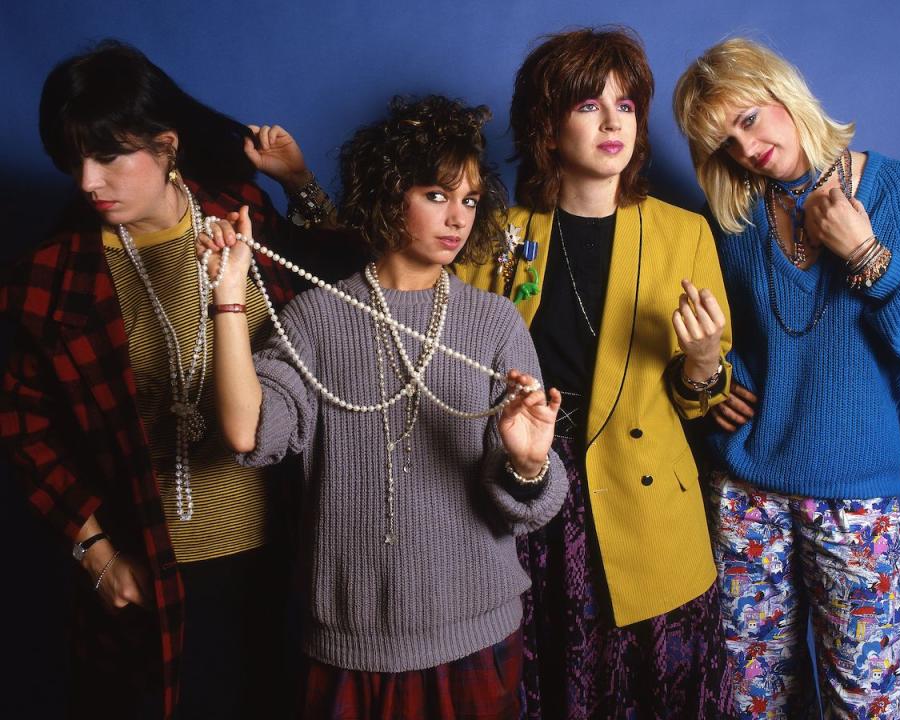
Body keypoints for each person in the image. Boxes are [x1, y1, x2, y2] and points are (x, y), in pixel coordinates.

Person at [198, 94, 568, 720]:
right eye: (436, 195)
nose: (458, 218)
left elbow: (531, 503)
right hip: (350, 639)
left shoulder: (495, 322)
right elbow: (245, 432)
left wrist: (528, 464)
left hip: (474, 631)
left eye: (470, 200)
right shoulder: (315, 317)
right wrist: (228, 298)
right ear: (389, 194)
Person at [0, 40, 340, 719]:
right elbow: (23, 428)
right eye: (73, 161)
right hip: (153, 573)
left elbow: (335, 284)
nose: (87, 182)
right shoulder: (51, 279)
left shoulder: (241, 216)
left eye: (108, 157)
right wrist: (94, 551)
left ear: (167, 146)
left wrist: (298, 182)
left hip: (283, 553)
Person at [673, 38, 900, 719]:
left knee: (864, 705)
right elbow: (719, 344)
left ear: (784, 92)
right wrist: (712, 377)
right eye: (723, 144)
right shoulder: (732, 219)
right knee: (752, 704)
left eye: (747, 119)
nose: (744, 150)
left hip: (853, 501)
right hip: (745, 495)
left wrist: (868, 256)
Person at [456, 28, 735, 719]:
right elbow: (438, 334)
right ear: (546, 129)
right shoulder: (499, 233)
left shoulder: (683, 233)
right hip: (529, 493)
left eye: (626, 105)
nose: (613, 122)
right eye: (588, 106)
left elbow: (702, 401)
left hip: (645, 507)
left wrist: (704, 363)